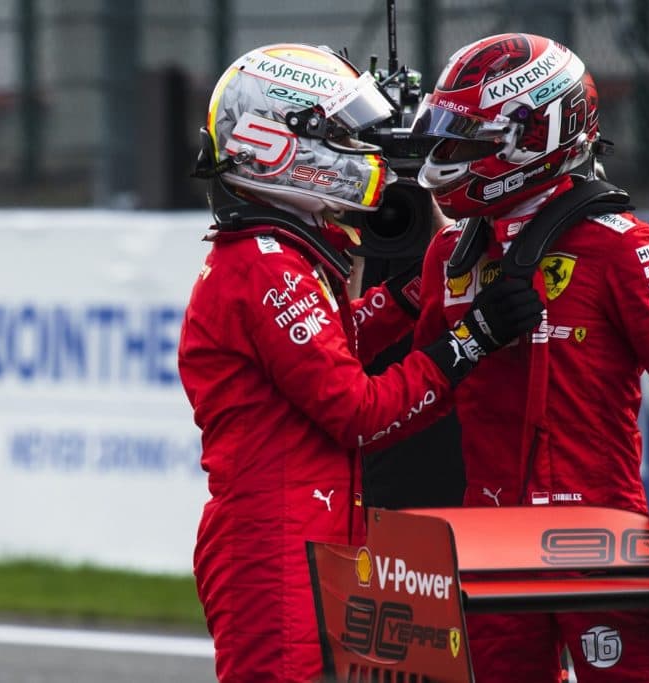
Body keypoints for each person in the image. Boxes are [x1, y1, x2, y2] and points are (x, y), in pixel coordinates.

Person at [177, 43, 543, 682]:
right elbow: (358, 411)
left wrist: (410, 293)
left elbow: (335, 347)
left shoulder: (274, 254)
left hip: (306, 534)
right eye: (342, 136)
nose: (362, 154)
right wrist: (472, 342)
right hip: (274, 545)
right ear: (275, 140)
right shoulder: (263, 266)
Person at [411, 33, 649, 682]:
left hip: (601, 538)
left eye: (467, 140)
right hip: (488, 539)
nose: (447, 158)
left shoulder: (622, 247)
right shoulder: (448, 256)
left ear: (535, 136)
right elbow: (416, 391)